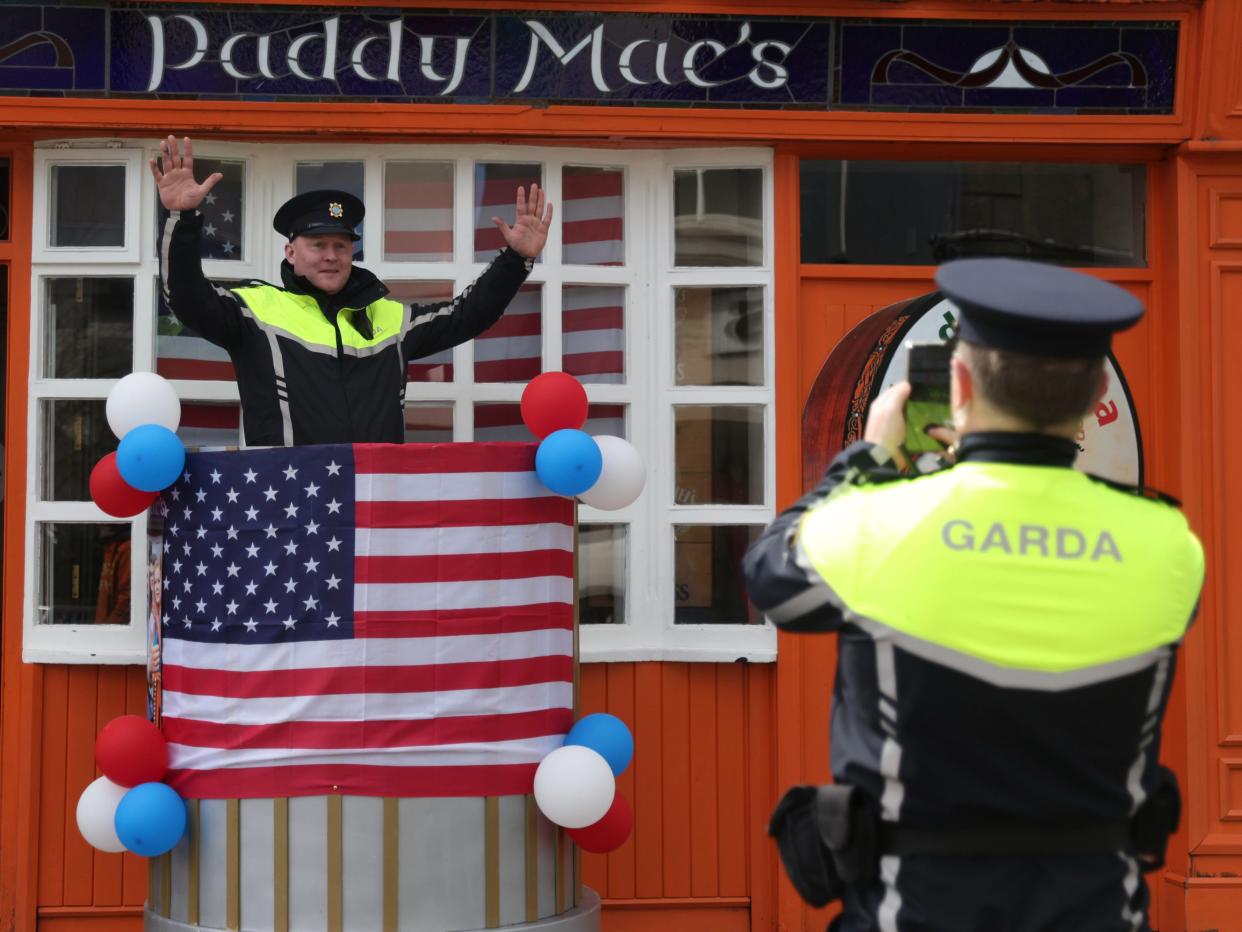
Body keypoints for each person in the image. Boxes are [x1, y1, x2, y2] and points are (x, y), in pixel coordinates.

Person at [744, 258, 1204, 932]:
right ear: (1096, 390)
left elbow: (770, 580)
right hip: (1100, 910)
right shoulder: (1169, 545)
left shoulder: (880, 525)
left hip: (917, 912)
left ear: (959, 384)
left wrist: (866, 459)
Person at [151, 135, 552, 446]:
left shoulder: (390, 318)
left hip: (376, 508)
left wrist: (515, 260)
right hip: (291, 509)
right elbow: (185, 298)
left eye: (341, 246)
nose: (331, 256)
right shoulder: (256, 309)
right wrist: (182, 217)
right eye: (317, 245)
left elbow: (469, 315)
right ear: (291, 252)